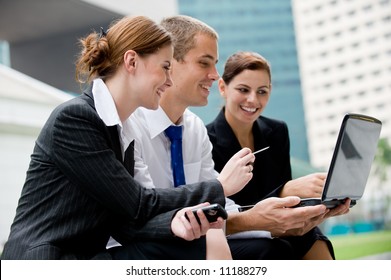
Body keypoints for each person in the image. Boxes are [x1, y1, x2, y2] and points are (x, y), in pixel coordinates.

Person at [0, 16, 255, 260]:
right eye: (165, 68)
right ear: (131, 62)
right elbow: (137, 203)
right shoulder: (75, 119)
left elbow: (124, 218)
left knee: (189, 245)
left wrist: (174, 224)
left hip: (88, 256)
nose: (169, 81)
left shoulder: (121, 128)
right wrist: (218, 187)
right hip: (49, 259)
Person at [128, 15, 349, 260]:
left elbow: (220, 204)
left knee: (298, 238)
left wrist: (290, 211)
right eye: (204, 63)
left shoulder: (194, 129)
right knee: (270, 250)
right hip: (153, 247)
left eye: (262, 91)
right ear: (169, 63)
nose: (213, 74)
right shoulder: (131, 127)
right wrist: (259, 213)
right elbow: (147, 214)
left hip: (206, 237)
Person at [206, 51, 351, 259]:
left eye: (262, 91)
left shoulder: (277, 131)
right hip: (237, 234)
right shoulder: (206, 140)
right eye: (243, 89)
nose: (253, 100)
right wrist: (285, 190)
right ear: (223, 88)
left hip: (280, 226)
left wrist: (321, 204)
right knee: (274, 249)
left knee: (312, 236)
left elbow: (289, 201)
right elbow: (232, 209)